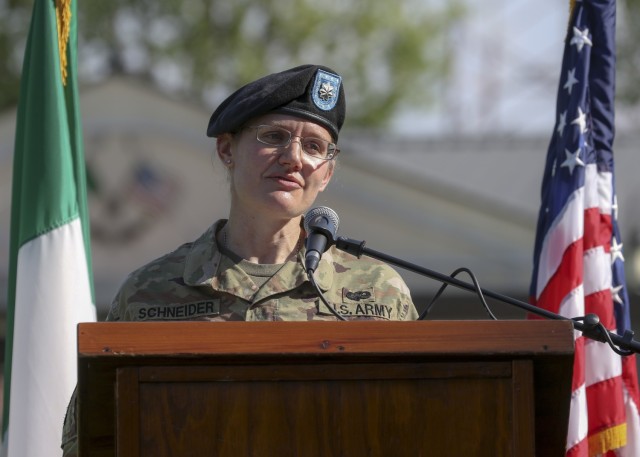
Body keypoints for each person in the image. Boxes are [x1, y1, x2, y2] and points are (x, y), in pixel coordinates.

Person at [61, 64, 418, 455]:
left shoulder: (379, 293)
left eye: (315, 146)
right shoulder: (150, 293)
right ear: (227, 149)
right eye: (274, 136)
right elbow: (89, 442)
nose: (294, 158)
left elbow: (422, 427)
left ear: (328, 172)